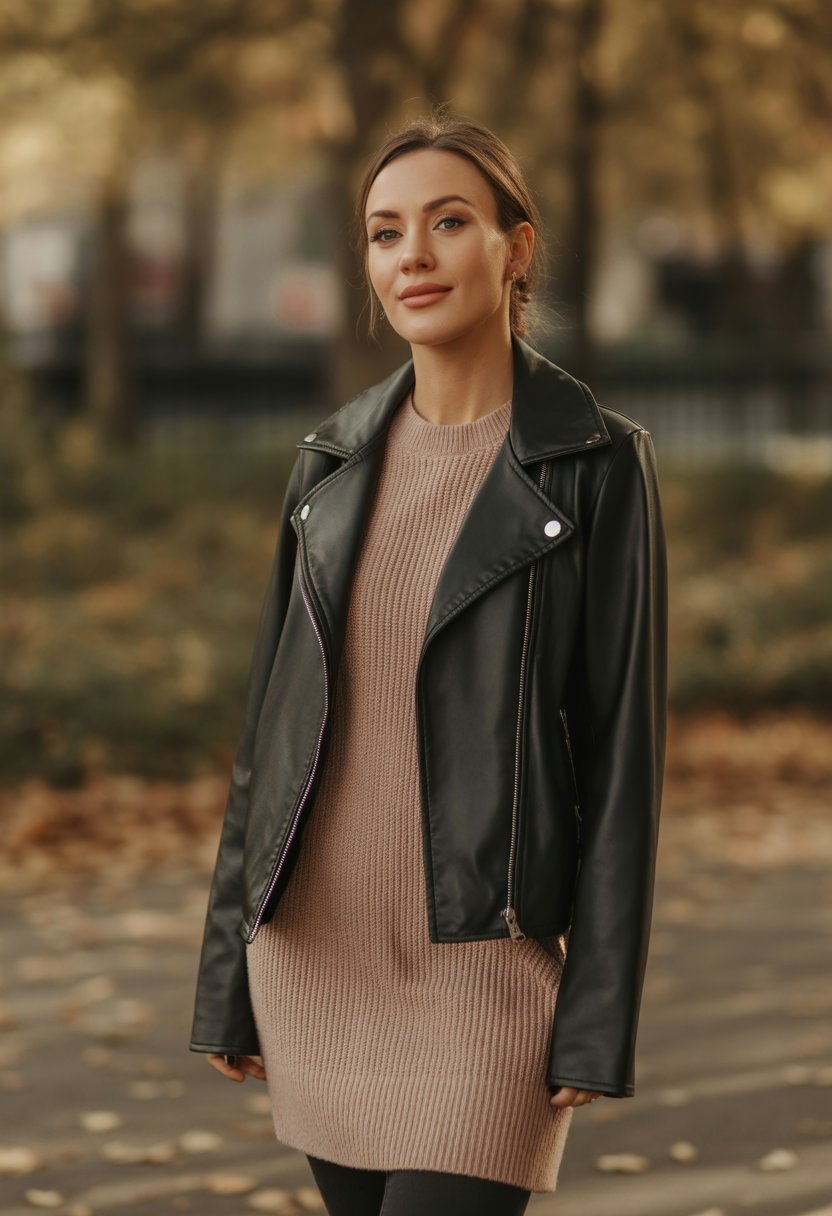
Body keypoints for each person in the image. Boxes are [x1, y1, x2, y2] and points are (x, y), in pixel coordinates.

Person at [189, 110, 668, 1216]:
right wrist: (226, 983)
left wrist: (596, 1012)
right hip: (320, 963)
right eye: (384, 231)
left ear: (516, 247)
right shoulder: (329, 463)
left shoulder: (595, 465)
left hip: (487, 972)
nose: (411, 255)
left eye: (447, 222)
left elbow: (623, 755)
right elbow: (268, 739)